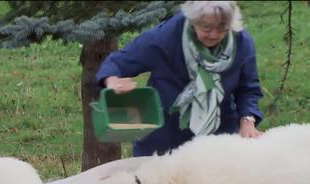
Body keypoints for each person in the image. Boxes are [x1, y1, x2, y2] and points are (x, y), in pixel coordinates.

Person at [96, 1, 263, 157]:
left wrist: (247, 119)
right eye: (206, 27)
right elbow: (118, 61)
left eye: (222, 28)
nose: (214, 34)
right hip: (164, 139)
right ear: (193, 21)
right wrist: (111, 80)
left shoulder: (241, 42)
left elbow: (249, 88)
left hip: (217, 137)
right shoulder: (166, 37)